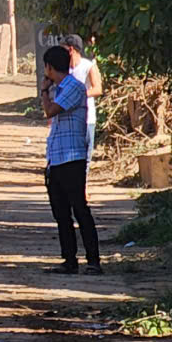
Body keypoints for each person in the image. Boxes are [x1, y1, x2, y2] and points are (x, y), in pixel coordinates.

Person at [39, 45, 101, 275]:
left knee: (80, 210)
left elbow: (51, 111)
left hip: (72, 158)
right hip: (57, 158)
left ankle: (93, 260)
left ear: (49, 67)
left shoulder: (73, 87)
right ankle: (69, 260)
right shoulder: (62, 87)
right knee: (61, 213)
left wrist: (44, 91)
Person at [61, 34, 102, 158]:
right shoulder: (64, 69)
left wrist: (79, 95)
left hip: (86, 119)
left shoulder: (88, 66)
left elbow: (98, 89)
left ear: (71, 50)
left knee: (84, 157)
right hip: (67, 120)